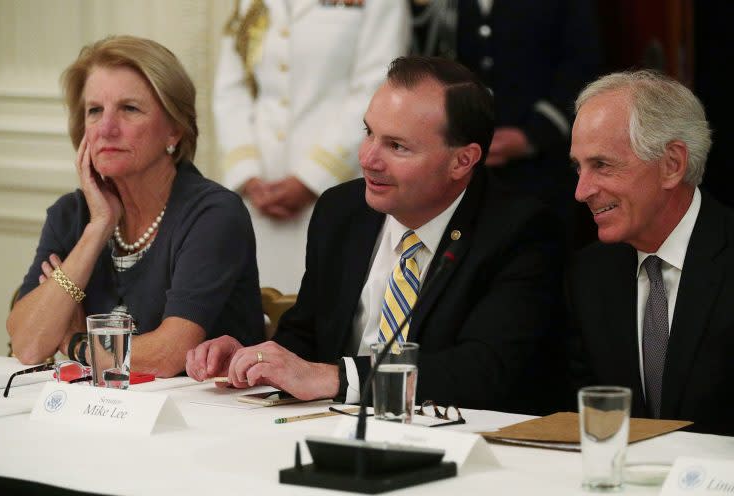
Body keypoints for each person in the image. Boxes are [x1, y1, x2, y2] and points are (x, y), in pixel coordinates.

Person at [187, 56, 565, 414]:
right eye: (369, 132)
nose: (368, 159)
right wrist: (252, 359)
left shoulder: (519, 230)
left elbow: (483, 370)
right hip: (333, 427)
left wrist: (338, 378)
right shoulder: (342, 211)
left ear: (462, 160)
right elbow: (306, 337)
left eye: (397, 146)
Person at [7, 36, 264, 376]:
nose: (107, 129)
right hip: (107, 412)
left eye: (129, 109)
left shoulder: (213, 214)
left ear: (174, 129)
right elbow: (27, 345)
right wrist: (98, 227)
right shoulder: (72, 215)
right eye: (95, 111)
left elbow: (168, 355)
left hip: (203, 416)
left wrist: (74, 344)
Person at [567, 70, 734, 435]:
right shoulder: (590, 274)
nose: (581, 191)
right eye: (578, 167)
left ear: (672, 164)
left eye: (602, 165)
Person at [214, 0, 410, 293]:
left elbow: (377, 88)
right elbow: (232, 88)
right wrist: (247, 174)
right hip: (257, 196)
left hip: (340, 183)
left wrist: (311, 178)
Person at [410, 0, 601, 248]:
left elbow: (582, 62)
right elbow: (424, 55)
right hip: (463, 168)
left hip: (543, 165)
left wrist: (533, 135)